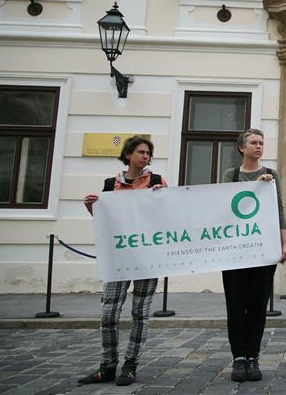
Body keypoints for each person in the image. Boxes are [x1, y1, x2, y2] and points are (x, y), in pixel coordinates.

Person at [79, 136, 166, 386]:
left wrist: (164, 198)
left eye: (148, 152)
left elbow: (167, 217)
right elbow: (105, 221)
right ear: (128, 155)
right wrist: (91, 208)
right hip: (118, 258)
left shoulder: (158, 182)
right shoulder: (111, 184)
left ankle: (130, 365)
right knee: (108, 313)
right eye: (141, 152)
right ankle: (107, 365)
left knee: (140, 313)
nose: (145, 156)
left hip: (147, 258)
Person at [220, 128, 286, 382]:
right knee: (237, 305)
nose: (259, 146)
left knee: (258, 305)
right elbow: (224, 206)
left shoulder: (271, 174)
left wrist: (285, 243)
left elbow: (278, 208)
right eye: (253, 142)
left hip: (263, 249)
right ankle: (239, 357)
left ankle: (253, 356)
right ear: (242, 147)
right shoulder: (231, 175)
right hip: (234, 252)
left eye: (262, 142)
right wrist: (254, 187)